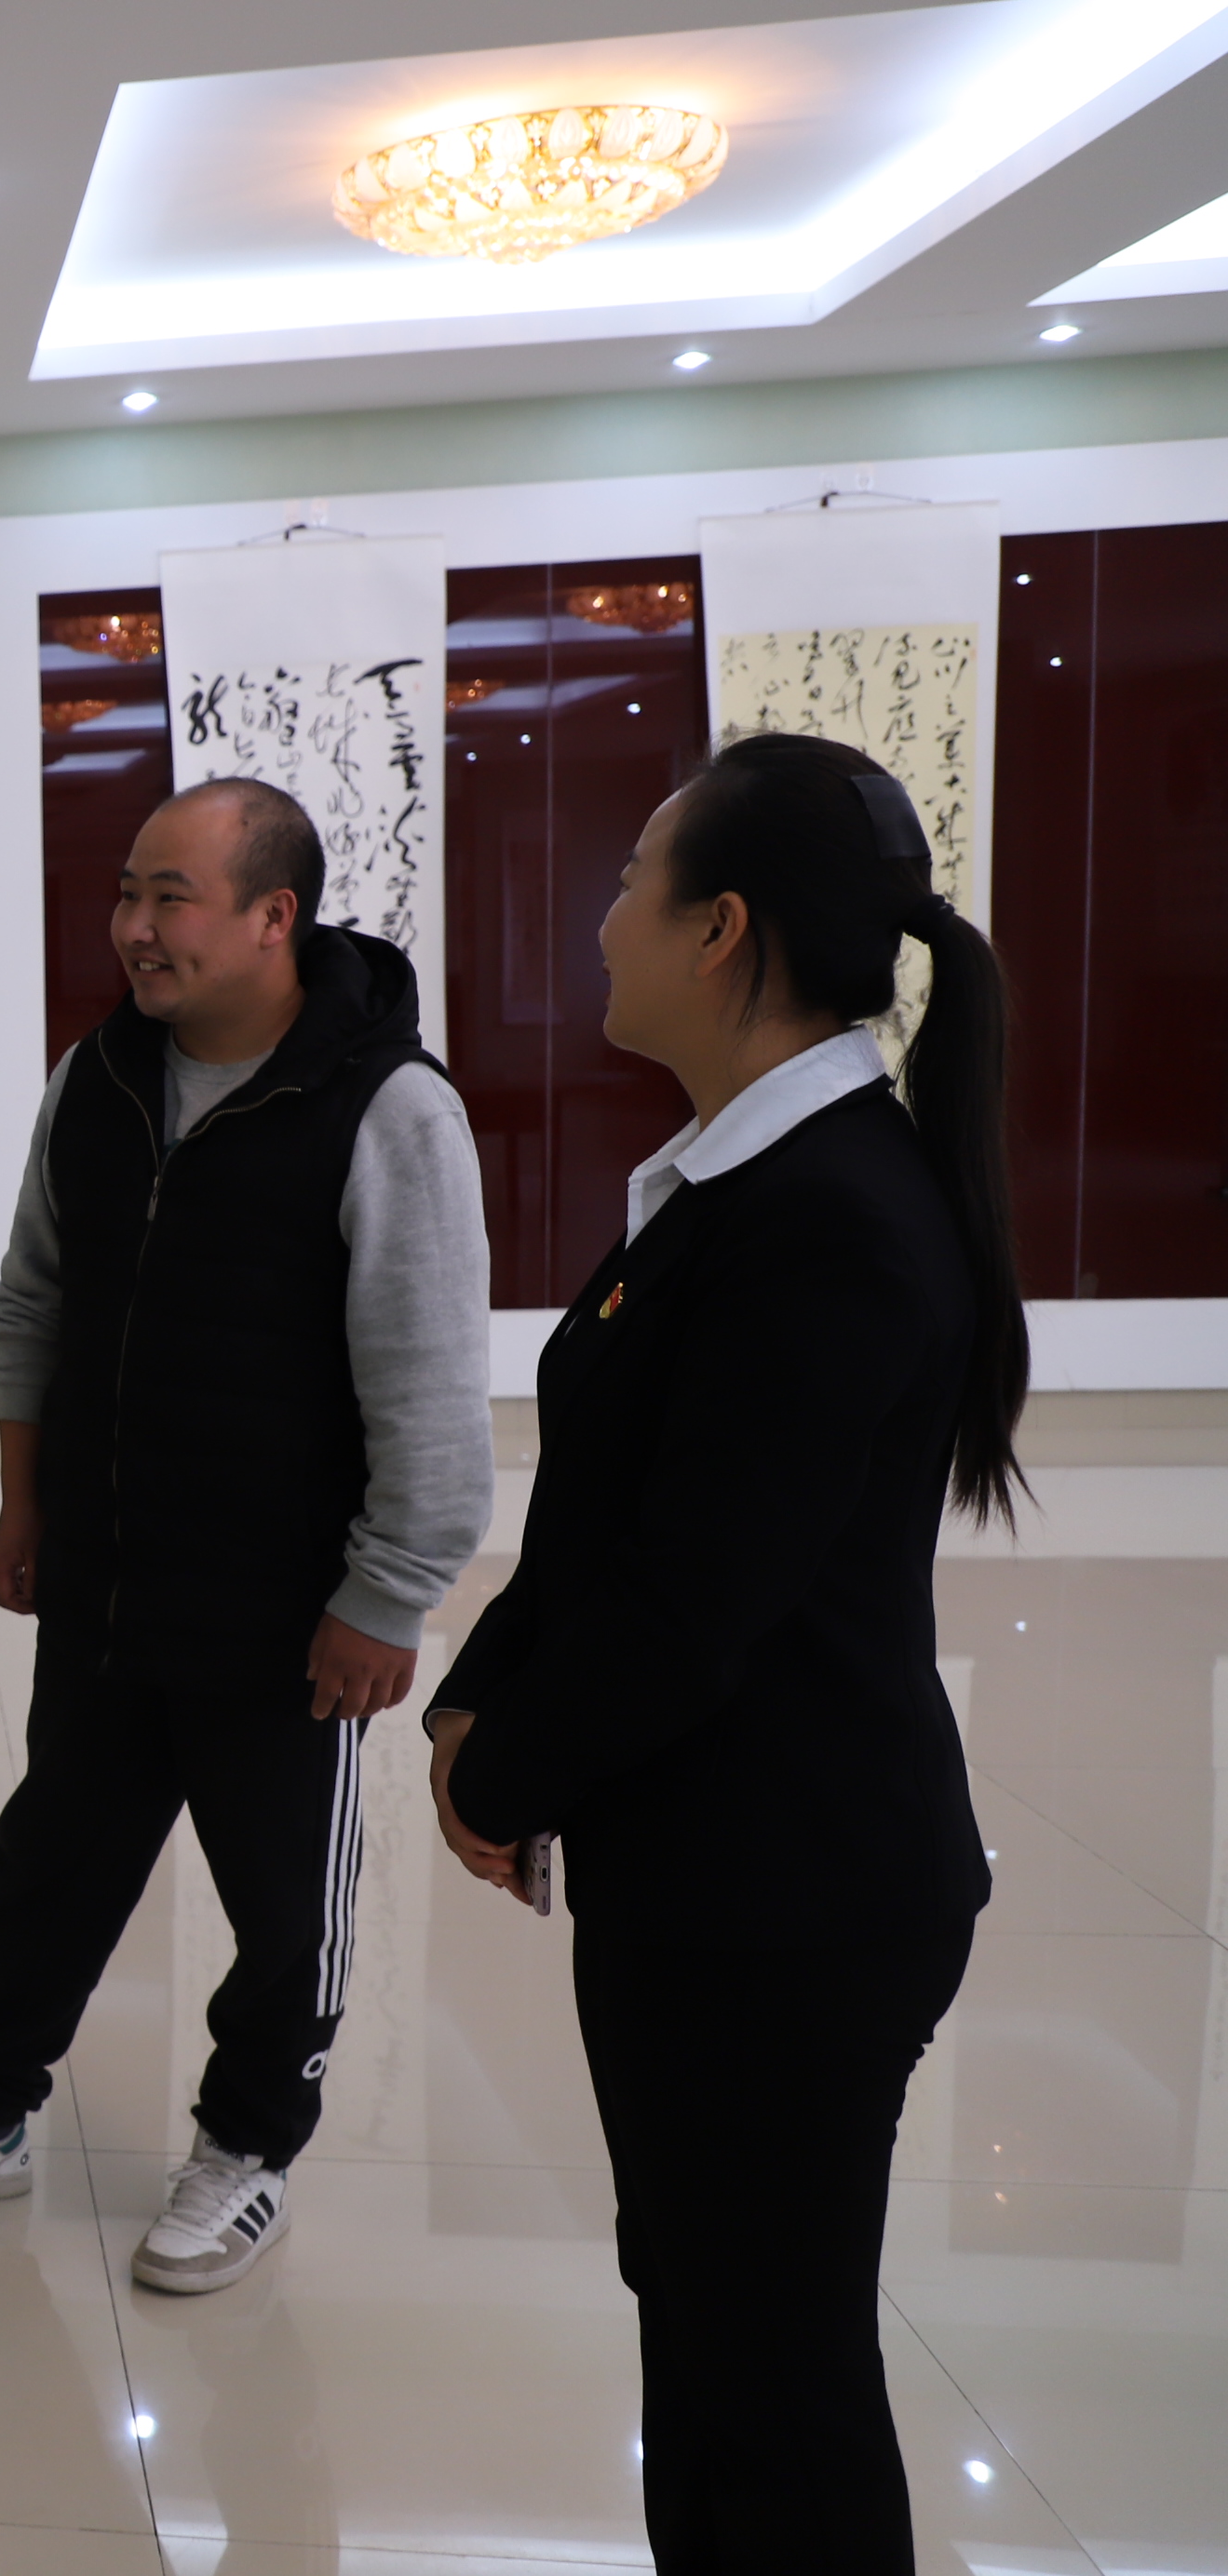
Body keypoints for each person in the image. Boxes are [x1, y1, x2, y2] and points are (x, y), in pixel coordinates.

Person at [424, 734, 1016, 2564]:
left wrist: (505, 1768)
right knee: (707, 2328)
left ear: (722, 930)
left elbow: (695, 1598)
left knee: (771, 2385)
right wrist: (481, 1687)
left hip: (791, 1902)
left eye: (629, 881)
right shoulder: (743, 1182)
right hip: (717, 1871)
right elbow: (626, 1501)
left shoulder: (827, 1217)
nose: (602, 918)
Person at [0, 776, 493, 2295]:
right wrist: (27, 1498)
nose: (132, 925)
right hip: (108, 1581)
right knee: (48, 1862)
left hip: (287, 1610)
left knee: (285, 1904)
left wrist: (386, 1597)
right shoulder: (102, 1075)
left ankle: (249, 2149)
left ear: (273, 916)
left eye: (169, 896)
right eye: (127, 891)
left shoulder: (390, 1108)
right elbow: (32, 1299)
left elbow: (431, 1390)